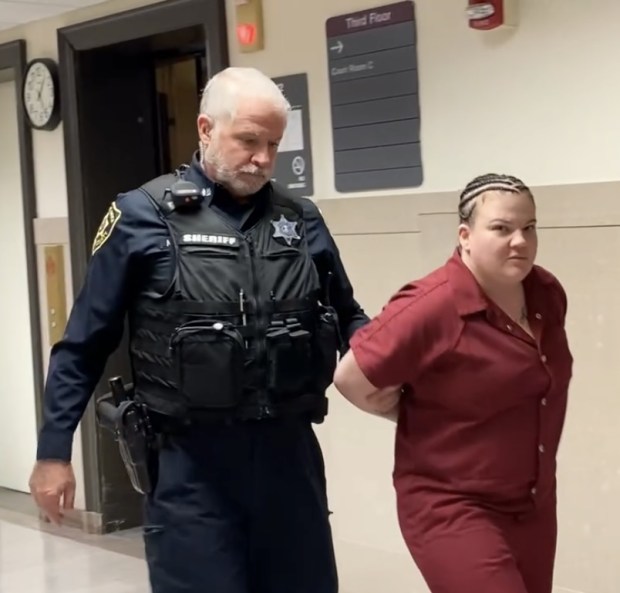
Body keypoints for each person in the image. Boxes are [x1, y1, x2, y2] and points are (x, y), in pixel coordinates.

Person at [29, 66, 369, 593]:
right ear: (206, 129)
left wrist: (393, 367)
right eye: (249, 141)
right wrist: (53, 452)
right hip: (191, 467)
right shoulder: (140, 216)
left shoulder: (301, 220)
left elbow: (349, 316)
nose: (262, 159)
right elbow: (83, 346)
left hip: (289, 459)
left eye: (274, 145)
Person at [333, 173, 573, 593]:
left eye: (529, 227)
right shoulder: (433, 304)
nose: (520, 241)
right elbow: (351, 377)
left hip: (532, 502)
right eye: (501, 229)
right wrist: (412, 416)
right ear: (465, 235)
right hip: (452, 504)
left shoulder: (546, 292)